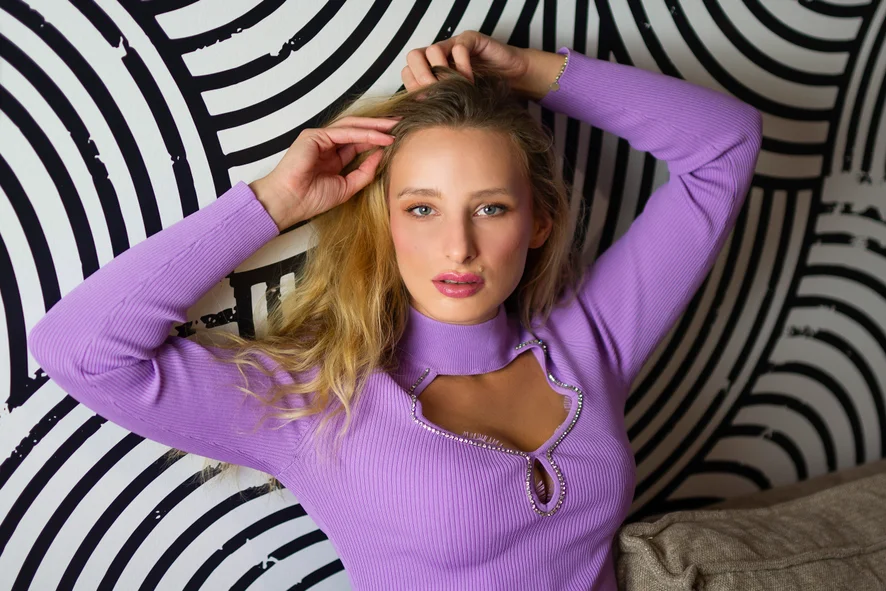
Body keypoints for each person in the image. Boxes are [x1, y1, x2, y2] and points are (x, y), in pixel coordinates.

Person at [28, 30, 762, 590]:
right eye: (422, 208)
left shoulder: (589, 342)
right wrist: (275, 201)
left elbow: (723, 147)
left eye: (491, 208)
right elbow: (81, 349)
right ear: (386, 221)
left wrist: (527, 72)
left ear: (537, 222)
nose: (459, 247)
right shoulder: (319, 402)